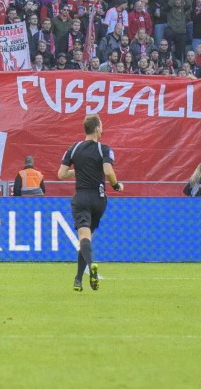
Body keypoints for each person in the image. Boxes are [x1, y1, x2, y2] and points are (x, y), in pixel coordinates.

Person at [57, 115, 123, 291]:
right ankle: (78, 280)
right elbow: (108, 170)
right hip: (99, 199)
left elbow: (61, 174)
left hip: (81, 198)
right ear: (97, 129)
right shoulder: (104, 149)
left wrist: (79, 171)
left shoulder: (74, 148)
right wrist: (116, 185)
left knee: (84, 237)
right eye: (101, 126)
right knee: (86, 238)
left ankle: (91, 264)